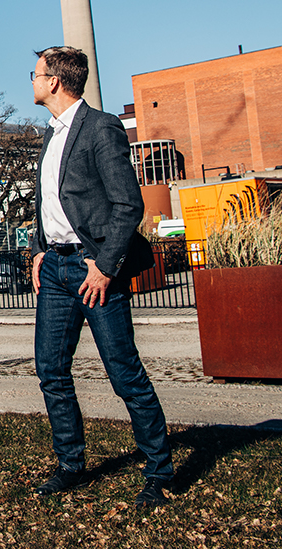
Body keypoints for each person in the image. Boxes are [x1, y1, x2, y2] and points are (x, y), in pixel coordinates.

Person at [29, 46, 173, 508]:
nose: (31, 80)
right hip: (54, 269)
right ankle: (70, 464)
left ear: (54, 81)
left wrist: (105, 265)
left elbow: (128, 203)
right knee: (51, 369)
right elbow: (49, 204)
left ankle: (160, 472)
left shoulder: (100, 127)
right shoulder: (51, 135)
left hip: (94, 271)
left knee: (124, 374)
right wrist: (38, 250)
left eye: (35, 74)